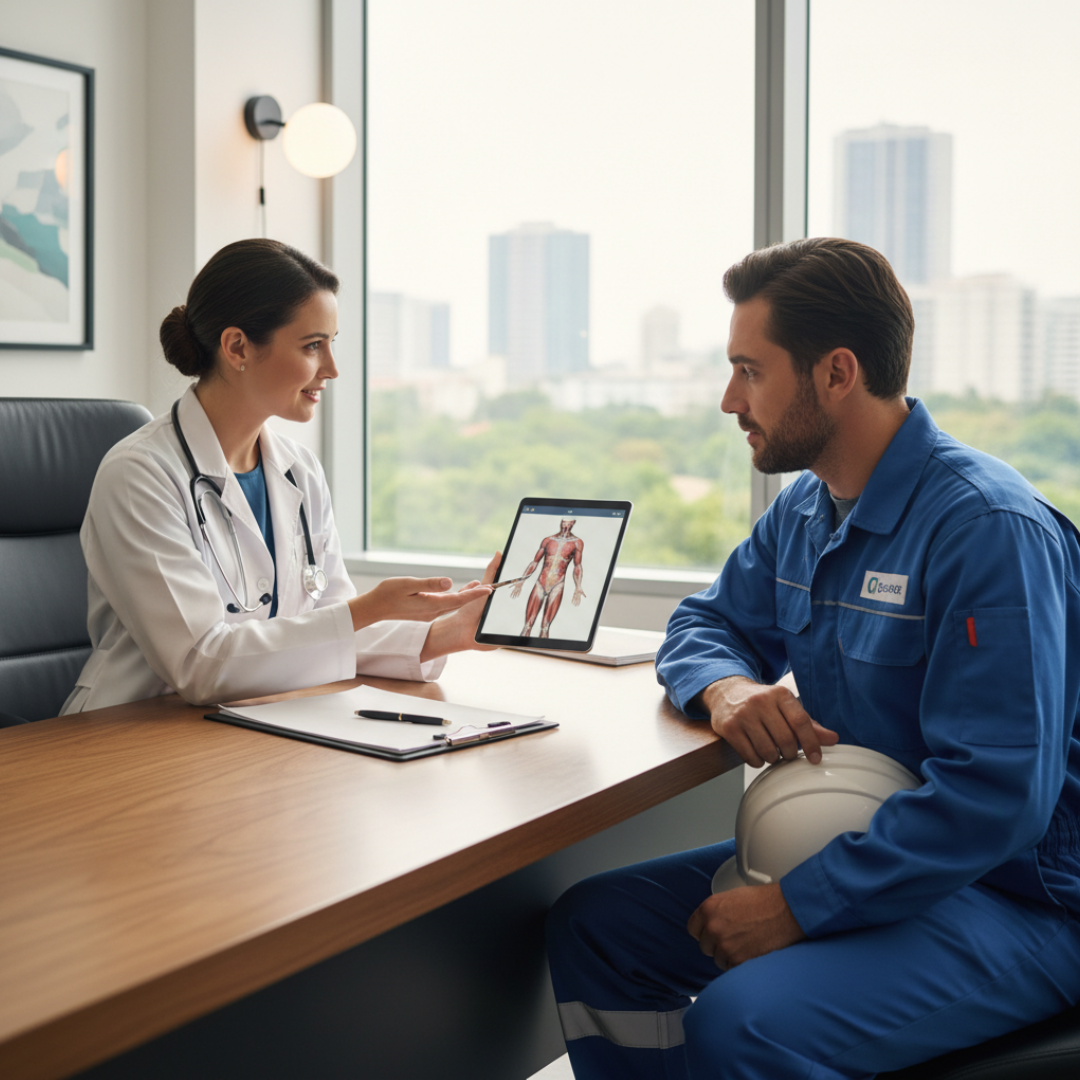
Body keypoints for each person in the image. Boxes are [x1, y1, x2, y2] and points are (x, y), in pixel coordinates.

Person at [545, 237, 1080, 1079]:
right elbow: (704, 622)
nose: (729, 399)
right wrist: (724, 688)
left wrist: (798, 908)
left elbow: (998, 795)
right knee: (598, 926)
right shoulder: (807, 509)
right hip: (867, 846)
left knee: (740, 1024)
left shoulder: (986, 529)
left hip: (1020, 896)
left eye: (750, 371)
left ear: (837, 373)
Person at [62, 239, 496, 714]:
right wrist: (371, 606)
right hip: (128, 733)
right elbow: (200, 662)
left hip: (254, 723)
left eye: (332, 344)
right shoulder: (140, 475)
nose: (332, 368)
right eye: (313, 346)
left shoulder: (298, 470)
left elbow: (330, 630)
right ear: (237, 347)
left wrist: (451, 630)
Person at [510, 518, 586, 637]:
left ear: (573, 524)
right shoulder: (548, 540)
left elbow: (577, 566)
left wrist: (578, 587)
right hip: (541, 581)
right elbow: (535, 562)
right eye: (564, 522)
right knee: (527, 627)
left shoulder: (577, 542)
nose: (566, 525)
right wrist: (521, 581)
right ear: (560, 523)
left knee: (545, 628)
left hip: (558, 583)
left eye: (569, 523)